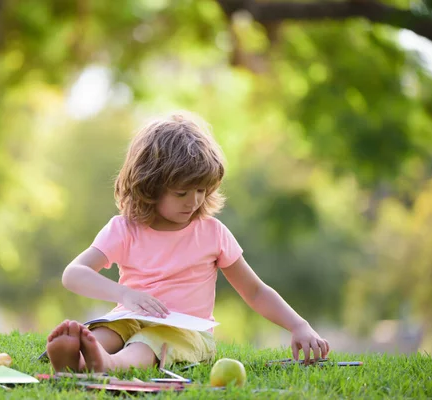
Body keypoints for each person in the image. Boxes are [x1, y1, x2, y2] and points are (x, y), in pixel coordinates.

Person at [46, 111, 330, 373]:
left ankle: (108, 364)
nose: (193, 201)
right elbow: (74, 274)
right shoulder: (125, 229)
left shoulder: (212, 233)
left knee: (150, 343)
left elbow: (254, 291)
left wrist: (298, 325)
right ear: (150, 187)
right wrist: (124, 295)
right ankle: (79, 359)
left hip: (187, 332)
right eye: (182, 193)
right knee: (109, 331)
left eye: (201, 190)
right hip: (128, 317)